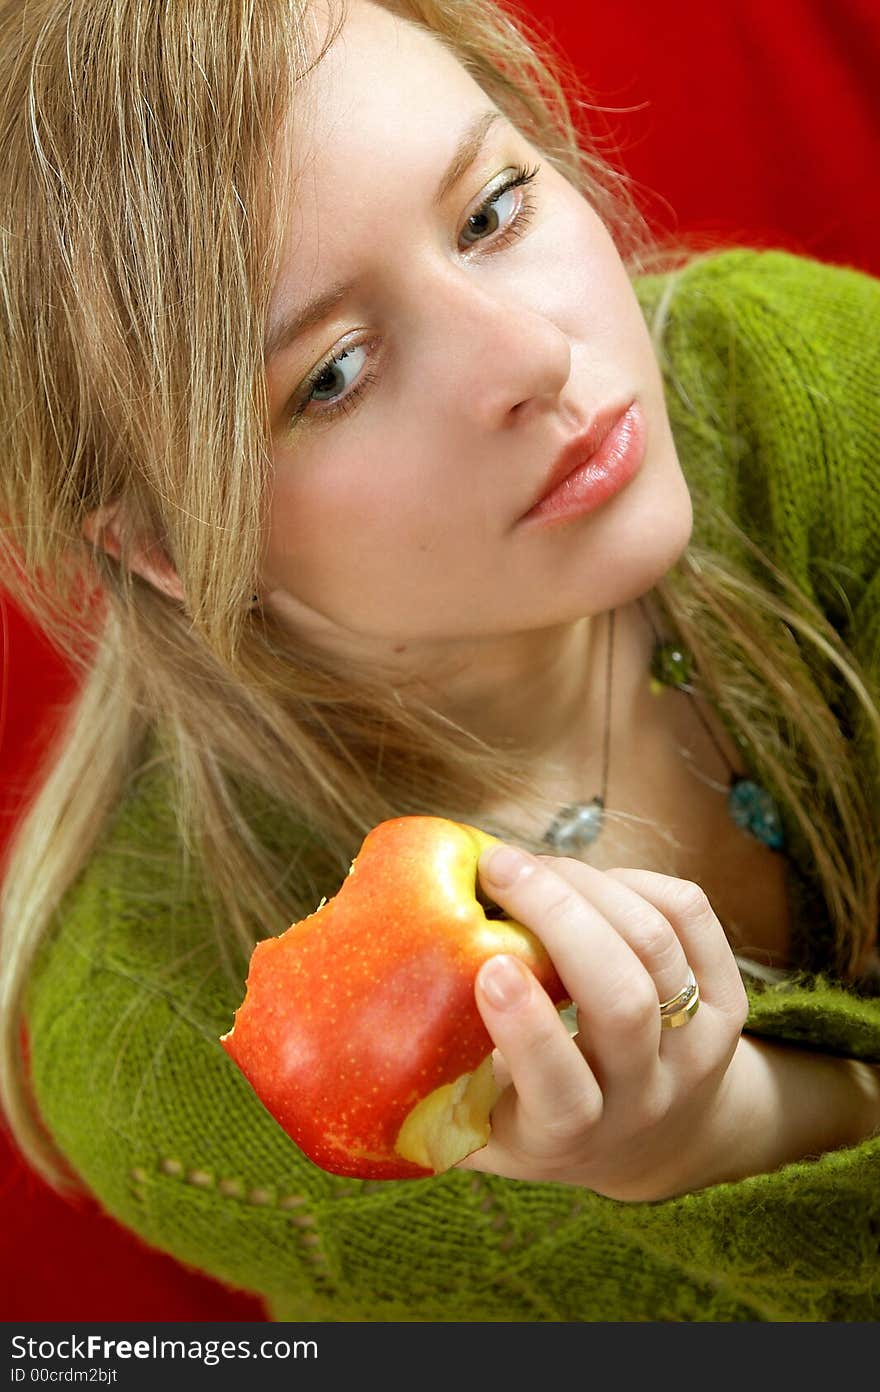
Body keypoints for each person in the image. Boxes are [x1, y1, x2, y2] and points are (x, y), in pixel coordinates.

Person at [1, 0, 878, 1323]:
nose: (532, 358)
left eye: (491, 213)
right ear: (170, 549)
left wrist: (733, 1126)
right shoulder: (166, 1035)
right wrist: (705, 1148)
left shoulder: (802, 388)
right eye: (336, 374)